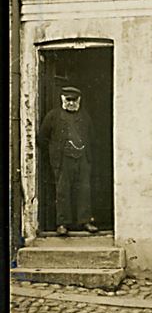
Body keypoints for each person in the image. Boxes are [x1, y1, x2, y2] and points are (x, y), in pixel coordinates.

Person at [38, 86, 98, 236]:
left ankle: (85, 221)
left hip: (82, 158)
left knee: (84, 189)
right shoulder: (53, 116)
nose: (71, 103)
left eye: (74, 100)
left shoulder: (85, 117)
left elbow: (92, 137)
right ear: (63, 100)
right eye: (68, 100)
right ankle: (62, 223)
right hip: (62, 159)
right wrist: (55, 152)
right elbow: (42, 138)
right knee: (62, 190)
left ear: (79, 100)